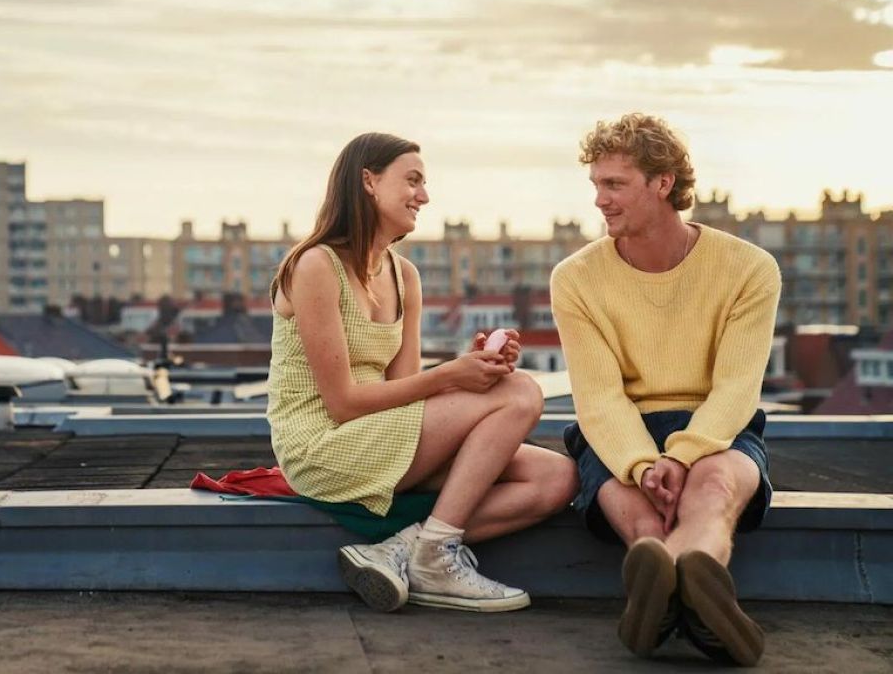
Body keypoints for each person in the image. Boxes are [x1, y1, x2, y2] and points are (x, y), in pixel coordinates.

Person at [268, 131, 578, 613]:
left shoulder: (403, 275)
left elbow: (404, 392)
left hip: (383, 437)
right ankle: (437, 557)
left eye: (424, 183)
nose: (424, 196)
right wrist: (454, 377)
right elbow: (342, 403)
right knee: (519, 391)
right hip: (323, 448)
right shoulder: (315, 265)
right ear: (368, 181)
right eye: (412, 181)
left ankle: (404, 548)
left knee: (556, 478)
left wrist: (474, 369)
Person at [551, 114, 780, 666]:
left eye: (614, 185)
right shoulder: (575, 278)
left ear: (662, 184)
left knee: (715, 492)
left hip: (716, 426)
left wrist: (682, 454)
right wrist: (640, 464)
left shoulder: (748, 269)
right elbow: (600, 398)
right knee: (643, 519)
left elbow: (735, 388)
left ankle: (661, 605)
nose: (600, 201)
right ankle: (700, 610)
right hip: (619, 432)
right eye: (596, 185)